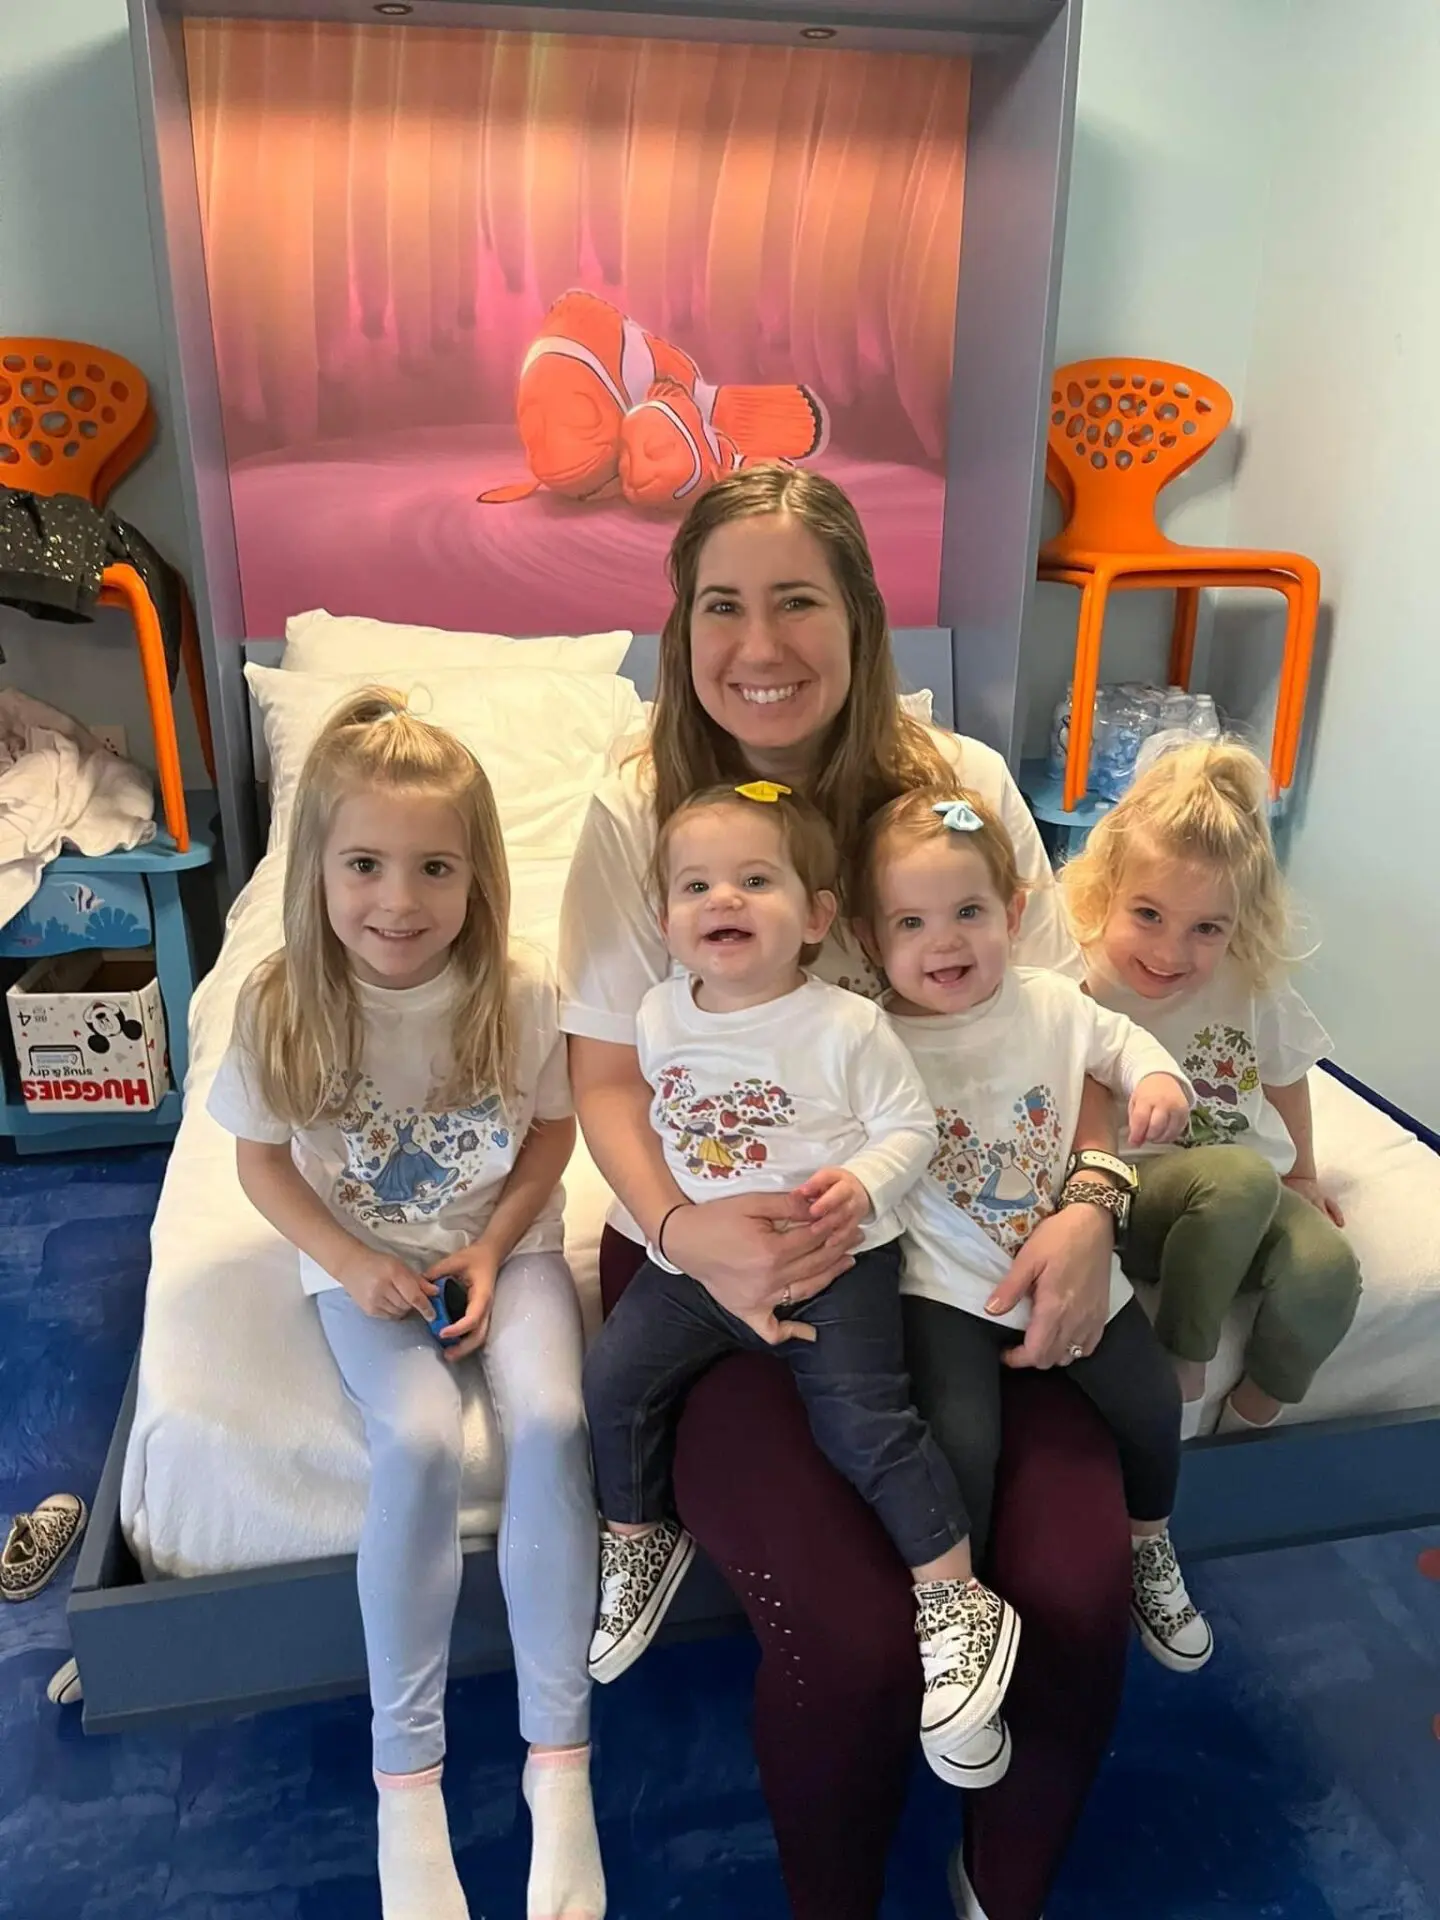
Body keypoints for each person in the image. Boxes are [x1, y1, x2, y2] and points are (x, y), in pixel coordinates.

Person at [559, 466, 1137, 1920]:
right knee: (851, 1632)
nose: (760, 646)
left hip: (961, 1249)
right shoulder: (637, 818)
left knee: (1074, 1588)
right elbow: (607, 1078)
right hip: (716, 1262)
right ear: (681, 626)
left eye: (798, 599)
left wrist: (1090, 1202)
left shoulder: (964, 796)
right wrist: (691, 1237)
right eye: (722, 607)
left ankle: (1002, 1888)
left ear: (865, 614)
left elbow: (1064, 1038)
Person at [208, 690, 604, 1920]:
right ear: (316, 870)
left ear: (479, 875)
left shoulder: (523, 988)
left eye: (436, 867)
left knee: (552, 1423)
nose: (400, 901)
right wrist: (352, 1257)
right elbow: (262, 1162)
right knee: (424, 1439)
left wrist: (491, 1246)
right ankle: (408, 1777)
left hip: (507, 1247)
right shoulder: (282, 1003)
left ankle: (562, 1765)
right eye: (366, 865)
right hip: (361, 1264)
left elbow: (552, 1128)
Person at [582, 780, 1021, 1768]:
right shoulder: (657, 1014)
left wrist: (862, 1190)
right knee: (613, 1378)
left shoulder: (846, 1027)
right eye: (695, 885)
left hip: (834, 1260)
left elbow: (908, 1127)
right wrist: (682, 1226)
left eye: (754, 880)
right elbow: (656, 1120)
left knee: (863, 1423)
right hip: (700, 1263)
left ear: (818, 916)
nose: (722, 901)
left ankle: (954, 1598)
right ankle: (637, 1534)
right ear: (664, 918)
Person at [855, 786, 1213, 1700]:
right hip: (946, 1288)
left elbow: (1126, 1045)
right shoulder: (868, 1037)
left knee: (1148, 1403)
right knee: (959, 1441)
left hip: (1065, 1259)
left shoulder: (1053, 1003)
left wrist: (1161, 1082)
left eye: (969, 911)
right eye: (912, 921)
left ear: (1013, 913)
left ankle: (1148, 1542)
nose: (946, 942)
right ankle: (961, 1618)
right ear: (868, 941)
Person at [1062, 737, 1363, 1437]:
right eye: (1148, 916)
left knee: (1328, 1270)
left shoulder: (1248, 980)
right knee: (1236, 1178)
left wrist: (1306, 1171)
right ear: (1107, 888)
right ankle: (1182, 1354)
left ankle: (1256, 1411)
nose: (1171, 952)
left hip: (1244, 1190)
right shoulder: (1076, 977)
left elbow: (1286, 1076)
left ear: (1238, 923)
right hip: (1139, 1192)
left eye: (1206, 929)